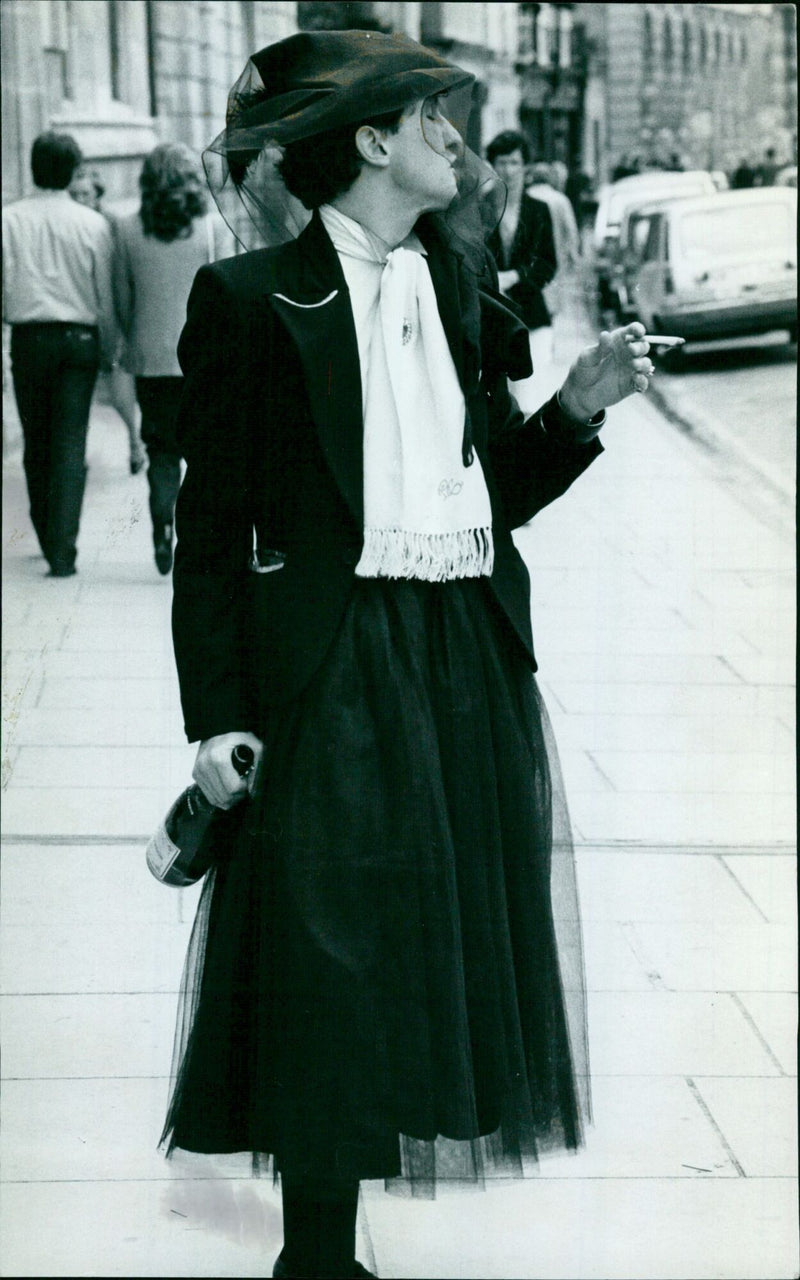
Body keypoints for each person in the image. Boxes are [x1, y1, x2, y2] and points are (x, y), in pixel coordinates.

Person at [159, 30, 656, 1280]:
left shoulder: (452, 285)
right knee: (325, 955)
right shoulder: (249, 299)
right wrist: (213, 715)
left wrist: (580, 408)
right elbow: (209, 532)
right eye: (434, 118)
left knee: (421, 948)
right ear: (372, 139)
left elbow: (490, 488)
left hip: (458, 660)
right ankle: (317, 1254)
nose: (456, 139)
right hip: (330, 669)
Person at [2, 132, 117, 576]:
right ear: (72, 172)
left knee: (37, 439)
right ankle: (63, 549)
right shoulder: (92, 224)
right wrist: (109, 348)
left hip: (29, 340)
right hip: (79, 343)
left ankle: (45, 530)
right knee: (70, 439)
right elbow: (103, 294)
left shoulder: (9, 220)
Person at [112, 143, 223, 574]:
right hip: (200, 361)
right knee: (202, 453)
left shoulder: (125, 229)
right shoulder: (211, 228)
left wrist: (133, 338)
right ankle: (193, 539)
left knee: (160, 451)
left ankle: (161, 525)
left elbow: (123, 298)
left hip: (151, 361)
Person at [69, 164, 147, 476]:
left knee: (118, 385)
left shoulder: (111, 222)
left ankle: (134, 441)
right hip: (81, 308)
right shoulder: (72, 223)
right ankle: (78, 452)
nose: (80, 200)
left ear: (97, 194)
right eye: (75, 195)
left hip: (109, 309)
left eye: (86, 194)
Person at [484, 130, 558, 392]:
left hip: (531, 319)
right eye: (502, 162)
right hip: (489, 320)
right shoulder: (478, 210)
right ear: (492, 165)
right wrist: (493, 280)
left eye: (515, 162)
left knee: (531, 398)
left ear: (525, 167)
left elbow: (548, 264)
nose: (508, 170)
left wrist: (515, 276)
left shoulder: (538, 211)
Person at [526, 160, 582, 321]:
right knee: (551, 303)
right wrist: (573, 256)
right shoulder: (560, 199)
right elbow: (571, 230)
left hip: (529, 258)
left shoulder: (527, 197)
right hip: (555, 259)